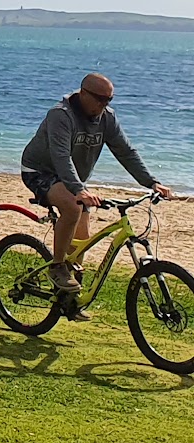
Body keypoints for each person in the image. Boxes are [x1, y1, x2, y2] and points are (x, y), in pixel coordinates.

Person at [19, 72, 174, 316]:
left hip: (73, 179)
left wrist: (151, 182)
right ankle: (57, 267)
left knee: (82, 240)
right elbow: (61, 156)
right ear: (83, 93)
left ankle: (68, 299)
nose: (104, 105)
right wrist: (79, 189)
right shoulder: (61, 115)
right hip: (40, 170)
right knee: (72, 207)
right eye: (100, 99)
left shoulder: (107, 118)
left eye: (109, 100)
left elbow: (126, 152)